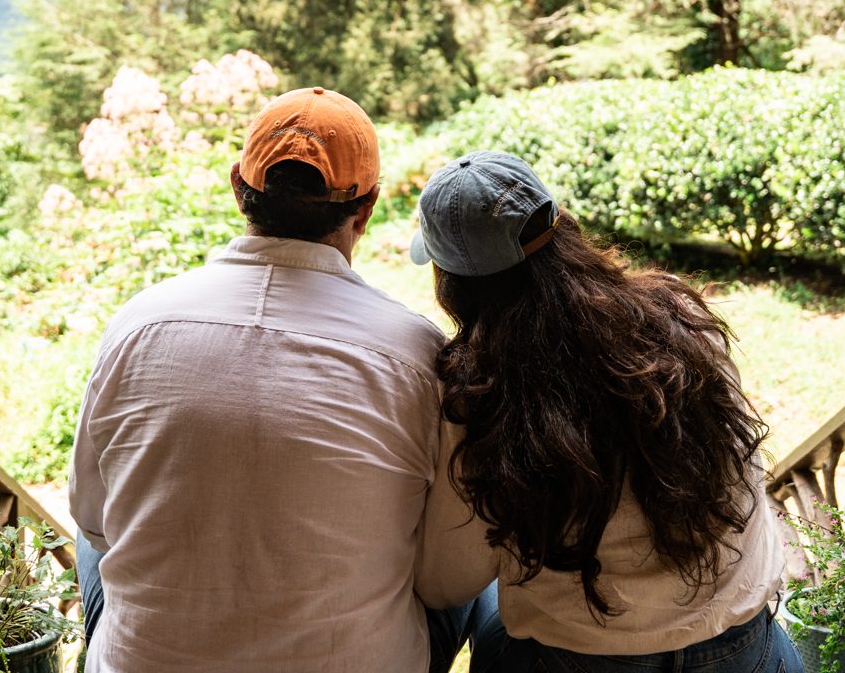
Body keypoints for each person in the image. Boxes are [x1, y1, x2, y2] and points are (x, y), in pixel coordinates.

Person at [68, 87, 498, 673]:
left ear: (238, 189)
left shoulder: (138, 323)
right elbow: (446, 580)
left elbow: (93, 517)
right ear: (365, 209)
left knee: (94, 554)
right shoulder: (418, 354)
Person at [412, 151, 799, 673]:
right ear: (561, 224)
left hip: (578, 659)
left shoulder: (480, 392)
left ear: (451, 283)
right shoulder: (682, 322)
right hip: (742, 645)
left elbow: (444, 583)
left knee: (486, 595)